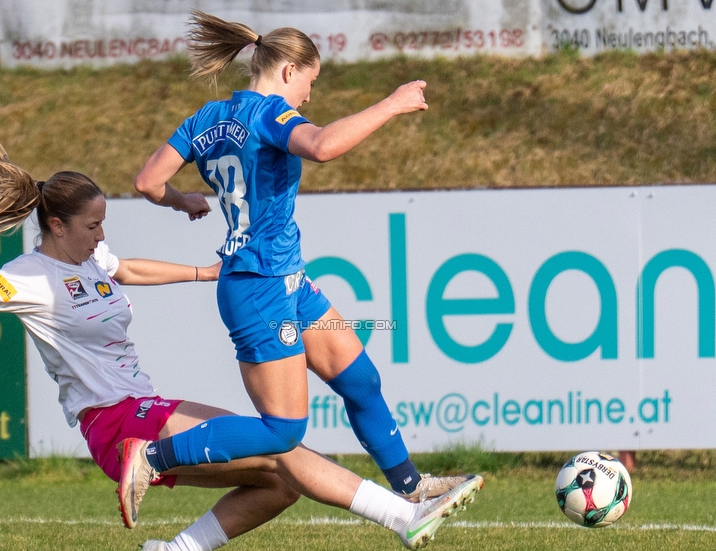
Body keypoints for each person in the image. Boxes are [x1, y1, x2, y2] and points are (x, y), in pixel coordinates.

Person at [0, 124, 484, 551]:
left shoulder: (90, 260)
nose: (101, 237)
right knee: (283, 443)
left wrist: (204, 272)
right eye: (92, 226)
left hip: (143, 406)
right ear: (55, 225)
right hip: (116, 422)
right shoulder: (28, 274)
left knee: (281, 483)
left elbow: (130, 268)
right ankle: (404, 517)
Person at [127, 10, 468, 517]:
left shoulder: (204, 119)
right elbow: (324, 146)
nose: (309, 96)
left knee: (361, 381)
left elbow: (147, 182)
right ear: (288, 71)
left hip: (287, 281)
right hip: (258, 288)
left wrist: (185, 201)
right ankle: (151, 457)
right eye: (310, 81)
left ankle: (411, 486)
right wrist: (391, 105)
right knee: (283, 431)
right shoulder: (270, 114)